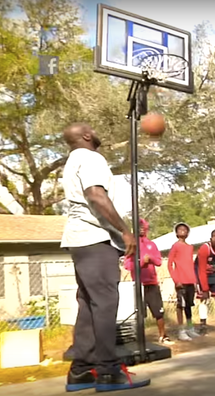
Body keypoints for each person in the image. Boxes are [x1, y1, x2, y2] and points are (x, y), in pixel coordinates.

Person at [60, 122, 150, 391]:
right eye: (92, 128)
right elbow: (96, 195)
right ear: (87, 136)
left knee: (88, 305)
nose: (96, 130)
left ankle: (81, 371)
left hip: (79, 240)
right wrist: (125, 231)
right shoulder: (90, 157)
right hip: (94, 237)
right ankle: (108, 372)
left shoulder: (72, 160)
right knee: (105, 304)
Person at [123, 218, 174, 345]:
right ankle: (139, 339)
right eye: (138, 226)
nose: (141, 228)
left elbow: (158, 261)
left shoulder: (152, 244)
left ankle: (163, 336)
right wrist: (141, 262)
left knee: (159, 312)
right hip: (138, 285)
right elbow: (127, 266)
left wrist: (149, 258)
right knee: (139, 314)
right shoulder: (132, 245)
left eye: (143, 226)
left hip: (152, 284)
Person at [168, 222, 200, 341]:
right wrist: (176, 280)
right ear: (176, 233)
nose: (182, 231)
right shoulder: (175, 246)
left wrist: (195, 281)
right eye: (180, 229)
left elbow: (191, 265)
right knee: (181, 305)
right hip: (180, 281)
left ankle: (190, 328)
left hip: (190, 280)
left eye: (185, 229)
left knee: (189, 306)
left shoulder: (190, 247)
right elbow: (170, 265)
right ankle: (181, 330)